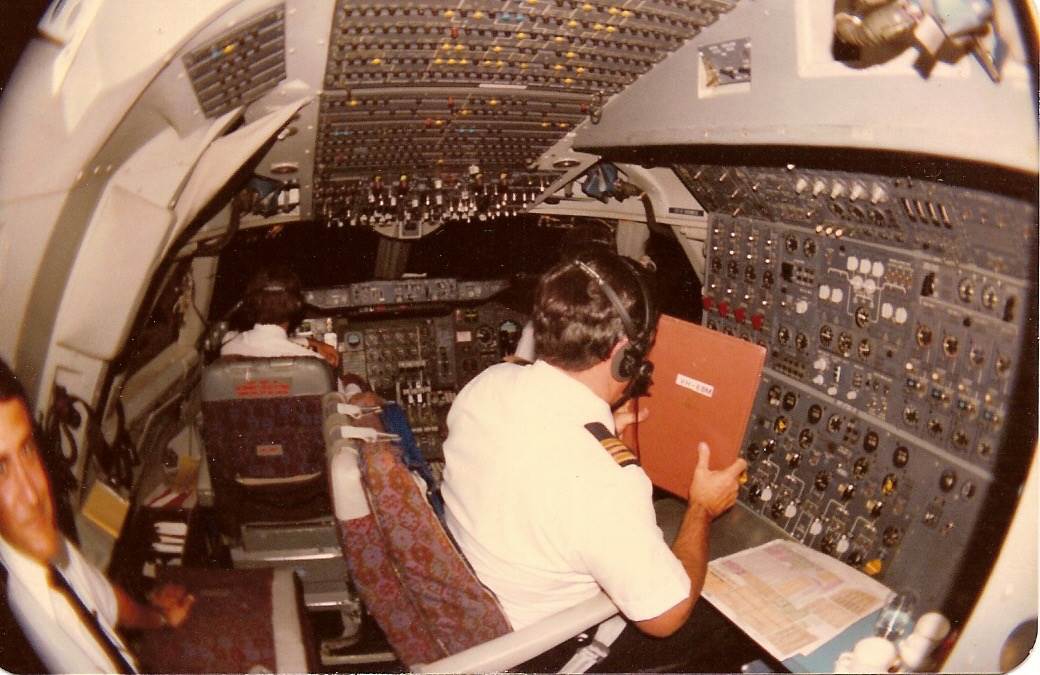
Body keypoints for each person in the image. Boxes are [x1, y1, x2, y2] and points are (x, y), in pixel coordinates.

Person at [440, 248, 747, 668]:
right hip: (545, 649)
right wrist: (701, 508)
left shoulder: (487, 384)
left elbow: (536, 454)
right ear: (625, 356)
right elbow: (666, 618)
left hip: (482, 609)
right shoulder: (606, 480)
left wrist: (600, 432)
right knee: (732, 617)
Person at [0, 357, 195, 673]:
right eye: (0, 469)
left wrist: (159, 617)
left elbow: (105, 600)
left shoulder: (42, 541)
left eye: (27, 449)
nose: (33, 494)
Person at [220, 265, 368, 394]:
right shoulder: (316, 366)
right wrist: (352, 385)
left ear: (249, 304)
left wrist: (309, 342)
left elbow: (265, 342)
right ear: (297, 306)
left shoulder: (228, 349)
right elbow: (340, 405)